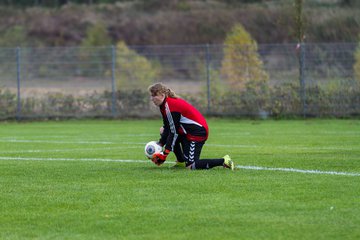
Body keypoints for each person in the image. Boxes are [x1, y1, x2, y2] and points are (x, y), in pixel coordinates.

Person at [148, 82, 234, 170]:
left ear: (162, 95)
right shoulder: (164, 105)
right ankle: (181, 161)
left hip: (197, 133)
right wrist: (159, 145)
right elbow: (167, 127)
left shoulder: (170, 106)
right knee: (163, 130)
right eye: (151, 95)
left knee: (190, 166)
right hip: (188, 132)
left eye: (154, 95)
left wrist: (165, 154)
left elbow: (174, 132)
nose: (152, 98)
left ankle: (224, 161)